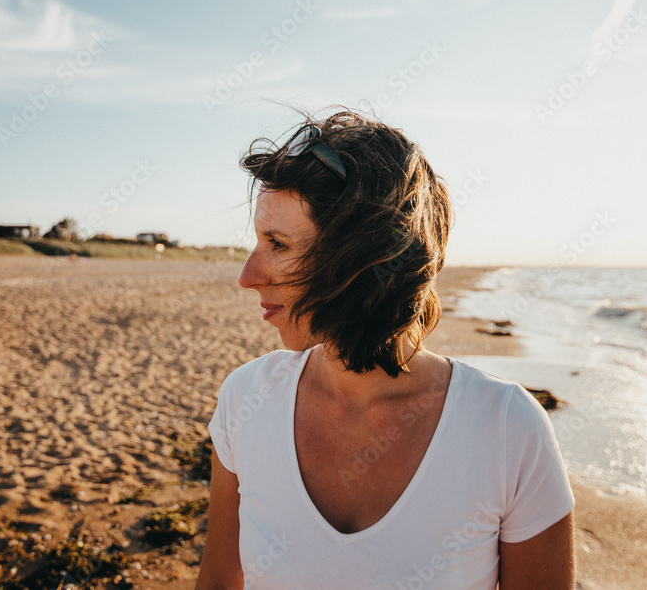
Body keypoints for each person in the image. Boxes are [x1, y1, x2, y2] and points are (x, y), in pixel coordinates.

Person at [197, 109, 575, 589]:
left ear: (362, 256)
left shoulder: (507, 428)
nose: (248, 276)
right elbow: (217, 583)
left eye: (278, 243)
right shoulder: (245, 400)